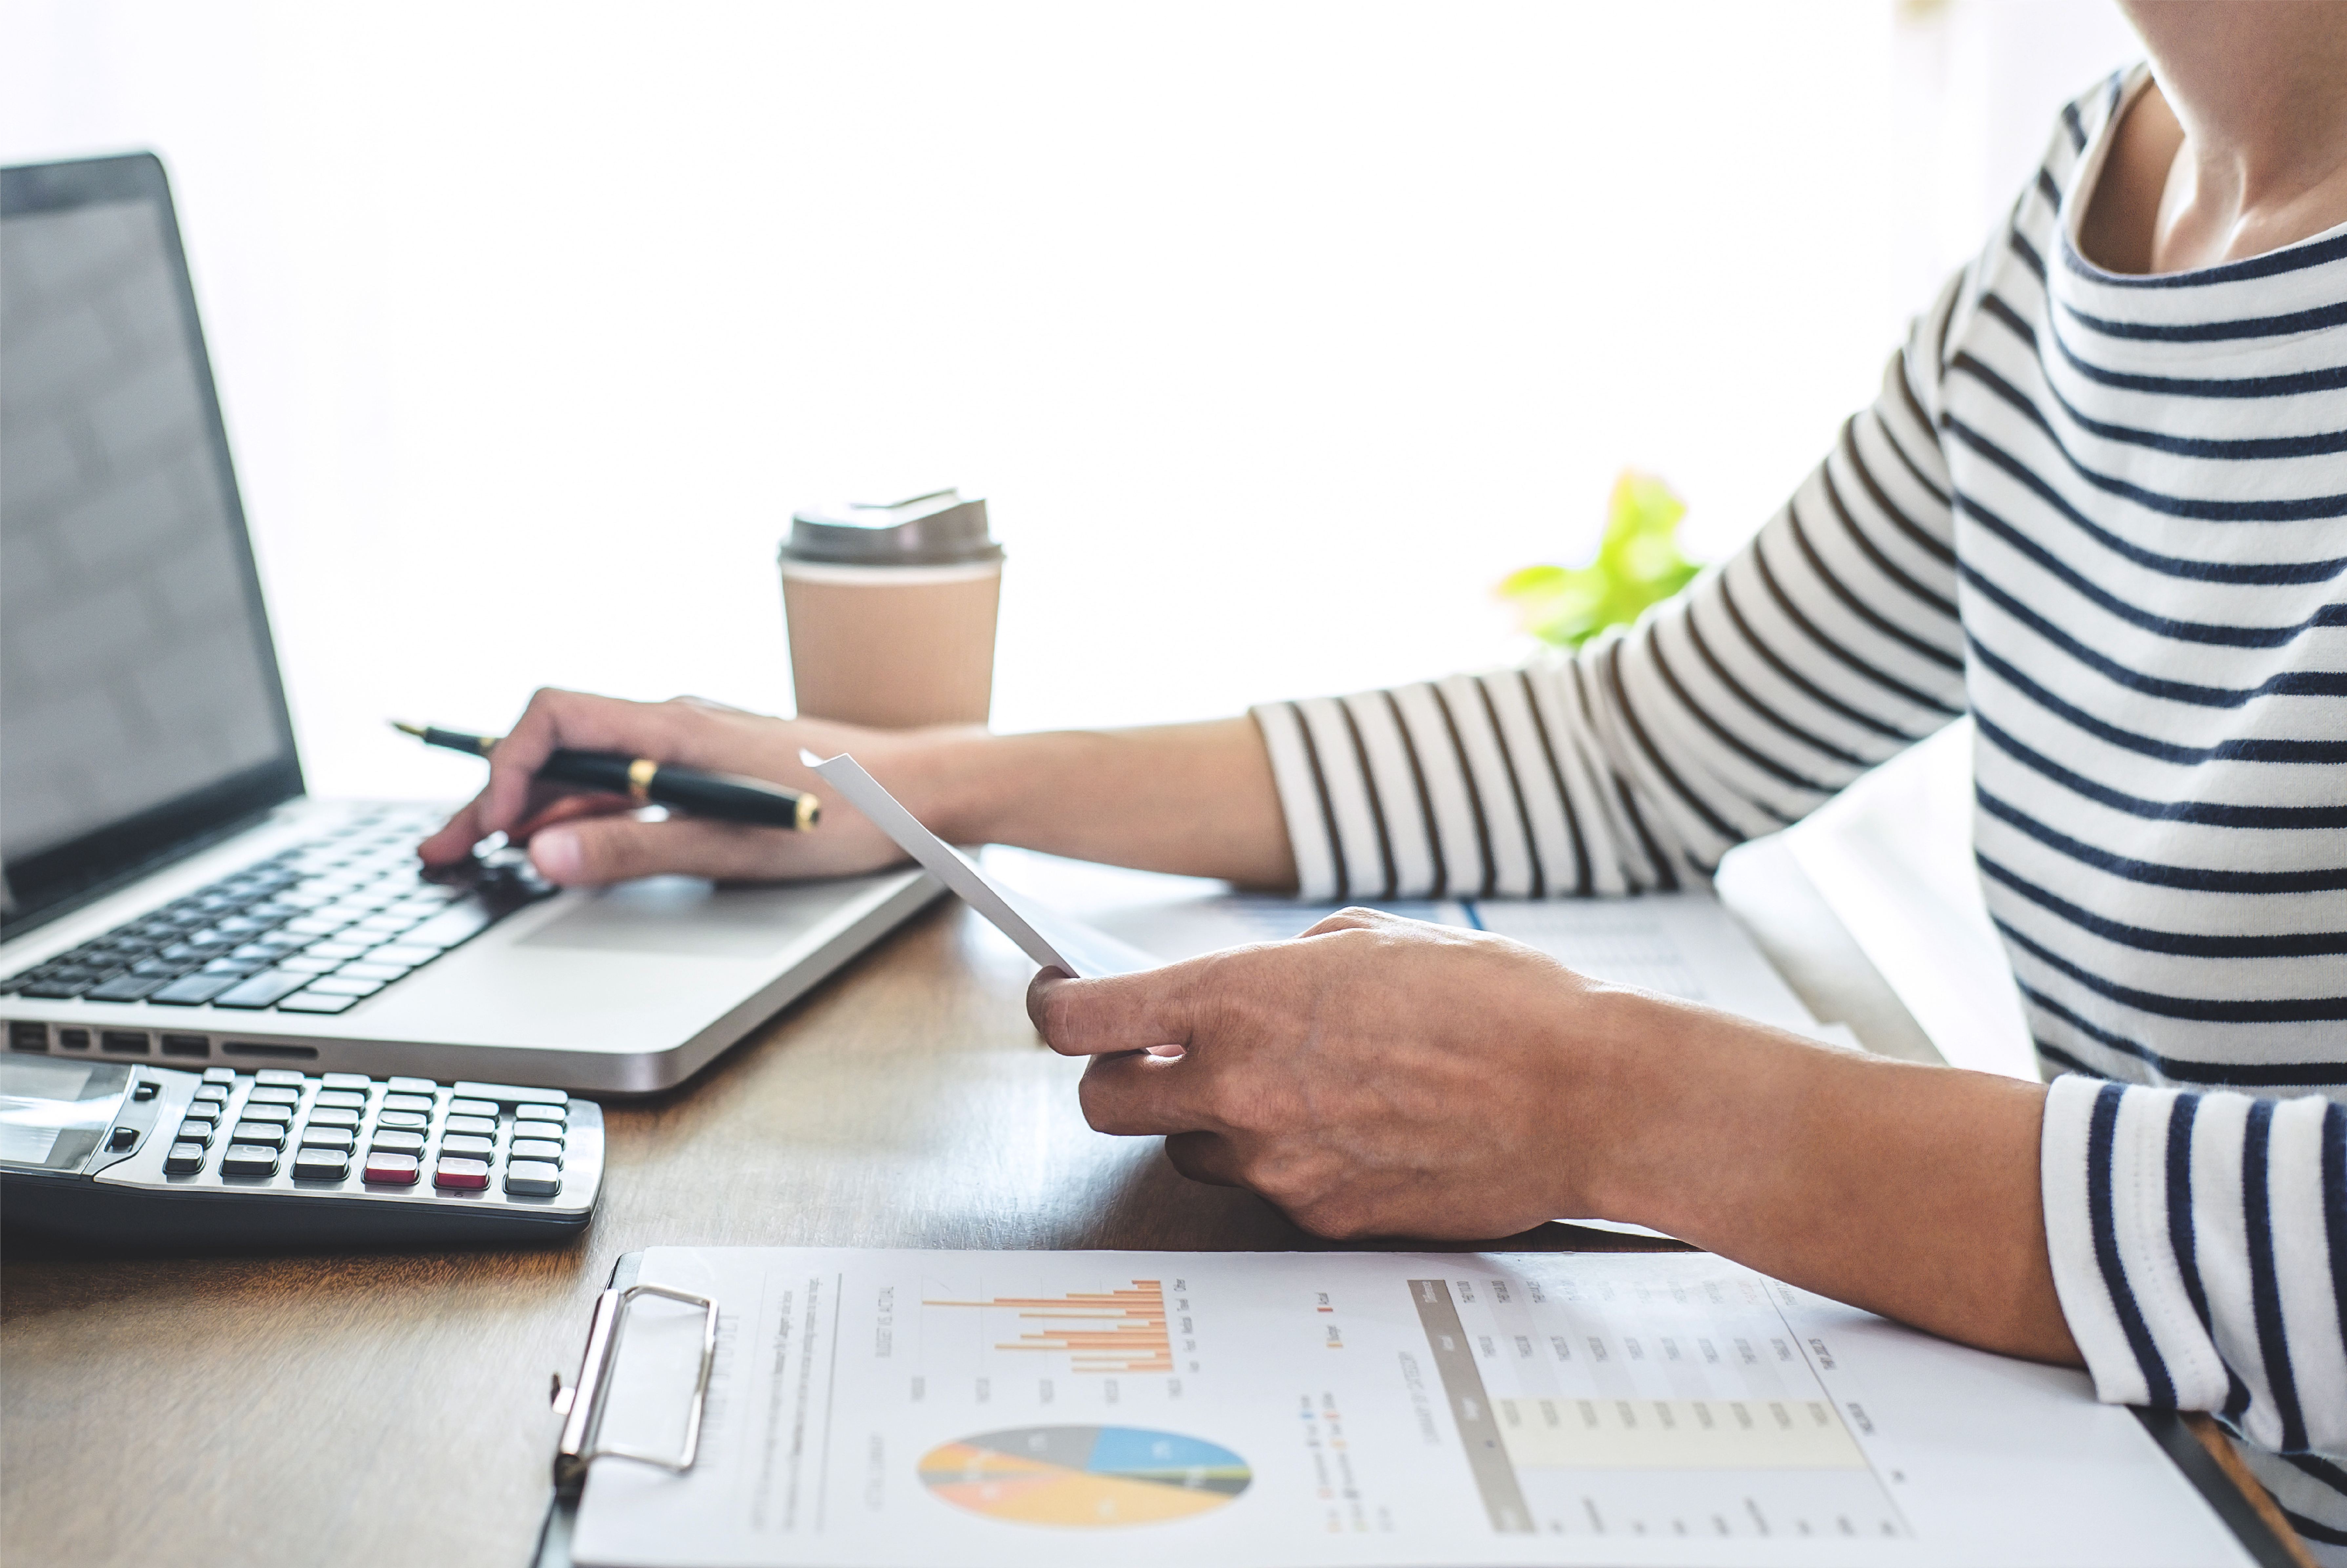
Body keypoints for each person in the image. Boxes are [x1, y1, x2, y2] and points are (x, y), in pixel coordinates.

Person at [421, 0, 2347, 1550]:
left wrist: (1606, 1102)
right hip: (2164, 1455)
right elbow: (1637, 747)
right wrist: (909, 782)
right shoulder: (2105, 196)